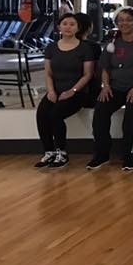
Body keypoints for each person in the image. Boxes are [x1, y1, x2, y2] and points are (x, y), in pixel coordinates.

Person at [88, 7, 133, 171]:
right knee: (100, 110)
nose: (124, 23)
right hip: (116, 87)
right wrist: (105, 86)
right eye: (120, 20)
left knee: (131, 114)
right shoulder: (113, 43)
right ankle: (102, 154)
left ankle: (129, 156)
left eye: (128, 19)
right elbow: (105, 68)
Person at [35, 13, 96, 169]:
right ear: (59, 27)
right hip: (55, 90)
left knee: (55, 114)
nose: (68, 27)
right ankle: (49, 152)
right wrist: (50, 91)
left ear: (78, 28)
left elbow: (88, 74)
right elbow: (48, 73)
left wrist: (72, 90)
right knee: (42, 114)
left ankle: (61, 152)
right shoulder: (51, 47)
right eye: (65, 24)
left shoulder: (85, 48)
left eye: (72, 24)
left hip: (77, 93)